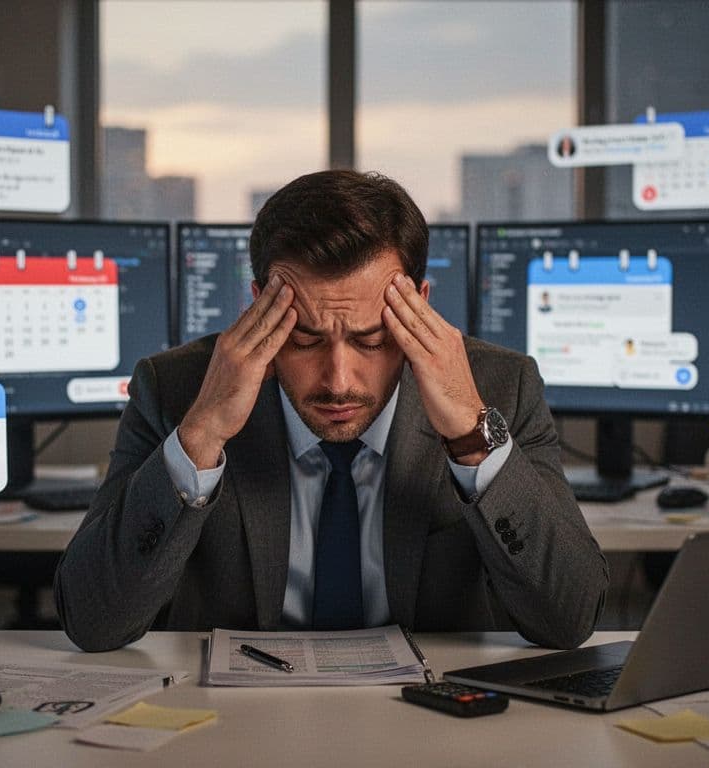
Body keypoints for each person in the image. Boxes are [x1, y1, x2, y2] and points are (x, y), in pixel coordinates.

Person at [56, 170, 607, 652]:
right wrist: (200, 435)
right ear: (258, 310)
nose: (338, 381)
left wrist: (471, 438)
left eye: (370, 341)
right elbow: (92, 622)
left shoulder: (499, 389)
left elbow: (570, 618)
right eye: (303, 340)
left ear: (418, 306)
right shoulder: (175, 390)